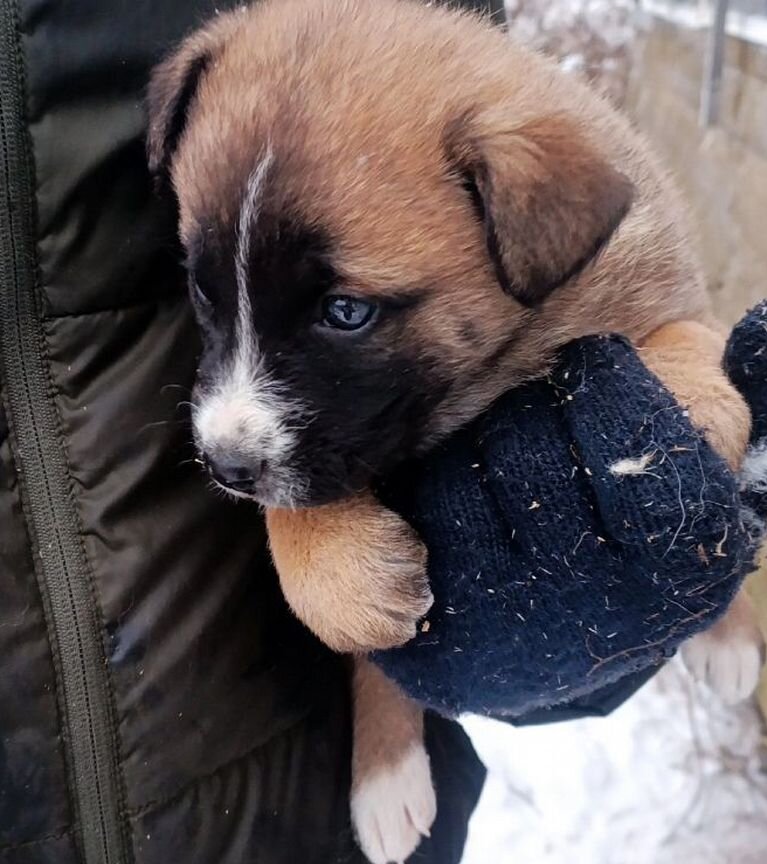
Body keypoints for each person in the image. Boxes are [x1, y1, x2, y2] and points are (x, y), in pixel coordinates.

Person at [0, 1, 502, 861]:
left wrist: (567, 628)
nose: (228, 425)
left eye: (344, 308)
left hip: (310, 794)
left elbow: (514, 235)